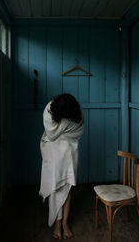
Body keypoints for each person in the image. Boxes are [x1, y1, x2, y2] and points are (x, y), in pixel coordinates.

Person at [39, 93, 84, 239]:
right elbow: (51, 135)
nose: (64, 120)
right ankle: (58, 225)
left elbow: (78, 132)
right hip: (52, 152)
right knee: (55, 186)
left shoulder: (78, 112)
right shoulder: (49, 109)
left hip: (70, 153)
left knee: (68, 186)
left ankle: (65, 223)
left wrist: (61, 133)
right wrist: (65, 130)